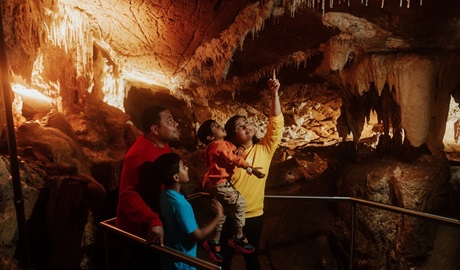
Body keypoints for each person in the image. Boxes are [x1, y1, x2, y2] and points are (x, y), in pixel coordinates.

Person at [220, 70, 284, 270]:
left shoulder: (264, 149)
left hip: (254, 215)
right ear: (233, 135)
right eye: (240, 126)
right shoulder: (228, 154)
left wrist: (274, 94)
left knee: (251, 258)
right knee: (224, 258)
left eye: (245, 122)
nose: (246, 126)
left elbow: (276, 124)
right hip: (229, 216)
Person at [116, 105, 179, 268]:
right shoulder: (138, 155)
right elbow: (127, 194)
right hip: (142, 230)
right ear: (155, 129)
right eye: (170, 121)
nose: (176, 124)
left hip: (157, 220)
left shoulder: (163, 145)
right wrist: (152, 220)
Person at [196, 120, 266, 262]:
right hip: (221, 183)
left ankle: (214, 240)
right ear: (210, 137)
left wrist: (239, 148)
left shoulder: (221, 145)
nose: (220, 126)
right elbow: (233, 158)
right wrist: (250, 168)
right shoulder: (218, 145)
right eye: (215, 126)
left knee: (222, 211)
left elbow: (232, 151)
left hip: (220, 183)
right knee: (240, 202)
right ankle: (238, 237)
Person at [143, 153, 224, 270]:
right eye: (183, 167)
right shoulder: (181, 205)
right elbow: (199, 235)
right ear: (176, 177)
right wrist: (218, 216)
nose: (187, 168)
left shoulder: (165, 195)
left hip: (170, 260)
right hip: (183, 263)